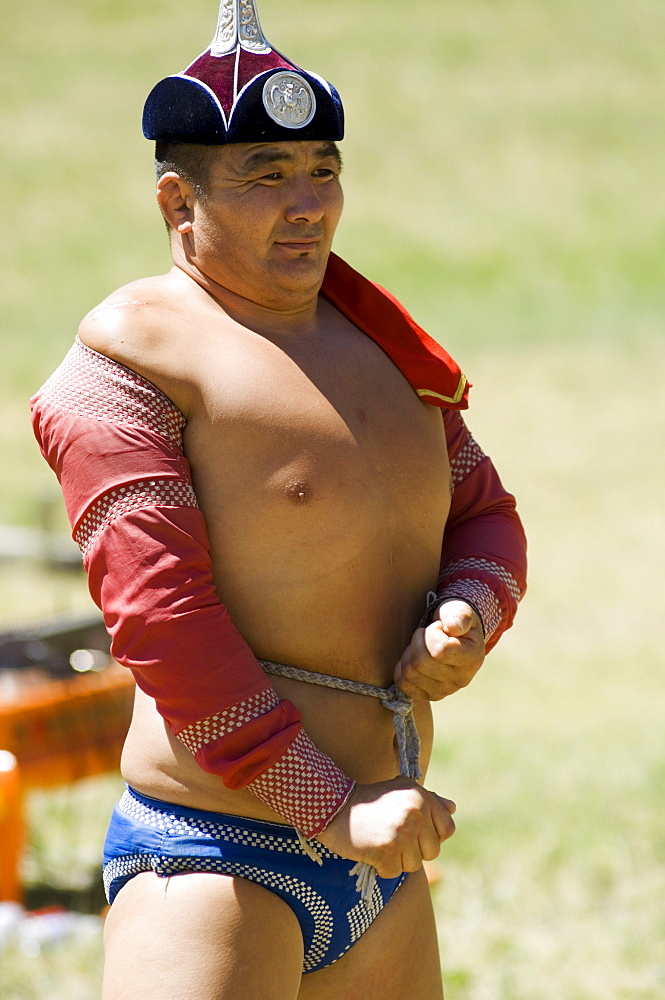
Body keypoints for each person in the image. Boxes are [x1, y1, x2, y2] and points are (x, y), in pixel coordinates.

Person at [31, 2, 527, 997]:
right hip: (214, 861)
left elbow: (480, 510)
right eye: (266, 175)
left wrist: (468, 611)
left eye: (322, 170)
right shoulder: (126, 371)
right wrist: (330, 806)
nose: (308, 203)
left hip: (379, 863)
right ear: (178, 203)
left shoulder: (379, 339)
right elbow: (168, 628)